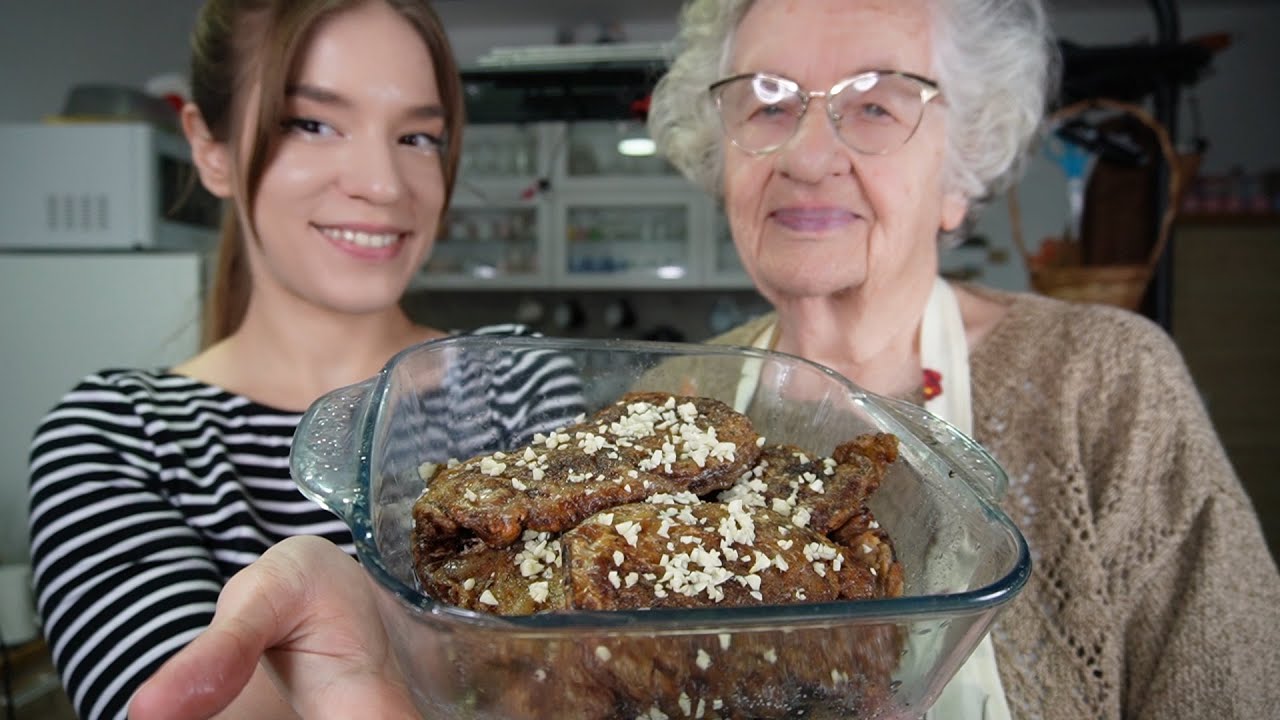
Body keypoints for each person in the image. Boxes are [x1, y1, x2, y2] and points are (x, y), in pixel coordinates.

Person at [128, 0, 1280, 718]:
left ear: (963, 162)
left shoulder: (1106, 384)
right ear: (715, 146)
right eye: (765, 104)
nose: (808, 153)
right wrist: (429, 664)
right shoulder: (667, 403)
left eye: (878, 105)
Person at [26, 2, 582, 718]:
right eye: (312, 124)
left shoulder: (515, 379)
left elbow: (593, 671)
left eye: (417, 136)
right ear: (211, 148)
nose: (383, 184)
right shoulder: (117, 437)